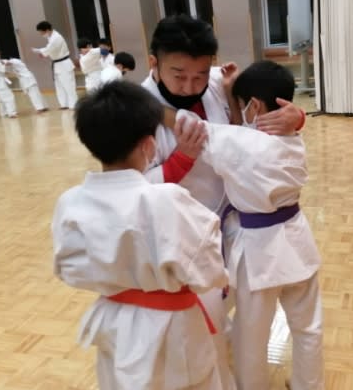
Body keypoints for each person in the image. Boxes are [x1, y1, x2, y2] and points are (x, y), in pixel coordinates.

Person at [142, 15, 305, 388]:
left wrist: (296, 118)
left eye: (199, 74)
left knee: (232, 300)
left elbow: (264, 110)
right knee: (202, 315)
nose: (191, 85)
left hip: (233, 217)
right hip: (183, 231)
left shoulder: (218, 81)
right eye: (179, 75)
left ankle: (228, 346)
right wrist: (181, 159)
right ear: (154, 63)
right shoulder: (136, 110)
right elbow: (135, 188)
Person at [51, 80, 229, 390]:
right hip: (173, 324)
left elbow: (68, 269)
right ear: (148, 145)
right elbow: (209, 270)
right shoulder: (165, 200)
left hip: (113, 318)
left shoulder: (71, 202)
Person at [168, 61, 323, 390]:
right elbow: (244, 134)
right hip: (298, 240)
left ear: (253, 105)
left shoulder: (239, 145)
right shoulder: (293, 140)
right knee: (308, 326)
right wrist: (233, 95)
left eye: (241, 106)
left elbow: (189, 126)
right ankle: (308, 385)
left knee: (250, 337)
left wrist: (137, 104)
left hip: (259, 253)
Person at [32, 21, 77, 109]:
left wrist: (39, 51)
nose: (41, 35)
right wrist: (42, 52)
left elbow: (49, 49)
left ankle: (74, 104)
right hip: (57, 64)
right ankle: (64, 104)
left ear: (47, 30)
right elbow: (50, 50)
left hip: (64, 64)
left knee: (69, 86)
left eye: (42, 32)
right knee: (59, 86)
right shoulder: (51, 37)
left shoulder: (56, 38)